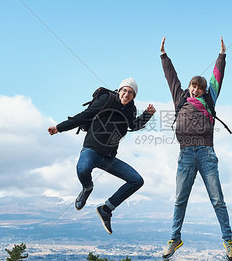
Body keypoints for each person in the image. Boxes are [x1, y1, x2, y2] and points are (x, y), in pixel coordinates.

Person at [160, 36, 232, 261]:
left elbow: (217, 78)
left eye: (199, 88)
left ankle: (228, 241)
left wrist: (221, 55)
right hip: (185, 154)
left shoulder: (209, 99)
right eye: (193, 86)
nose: (195, 90)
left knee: (217, 200)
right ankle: (175, 239)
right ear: (189, 87)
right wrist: (164, 55)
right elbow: (170, 77)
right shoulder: (180, 98)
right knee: (180, 200)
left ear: (204, 90)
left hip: (206, 153)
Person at [48, 78, 156, 234]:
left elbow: (133, 125)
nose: (126, 94)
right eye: (124, 90)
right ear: (119, 90)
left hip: (109, 157)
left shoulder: (131, 109)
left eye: (130, 92)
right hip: (91, 150)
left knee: (137, 180)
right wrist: (59, 127)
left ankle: (106, 209)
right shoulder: (107, 99)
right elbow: (85, 115)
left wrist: (147, 114)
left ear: (133, 96)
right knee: (83, 169)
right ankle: (87, 188)